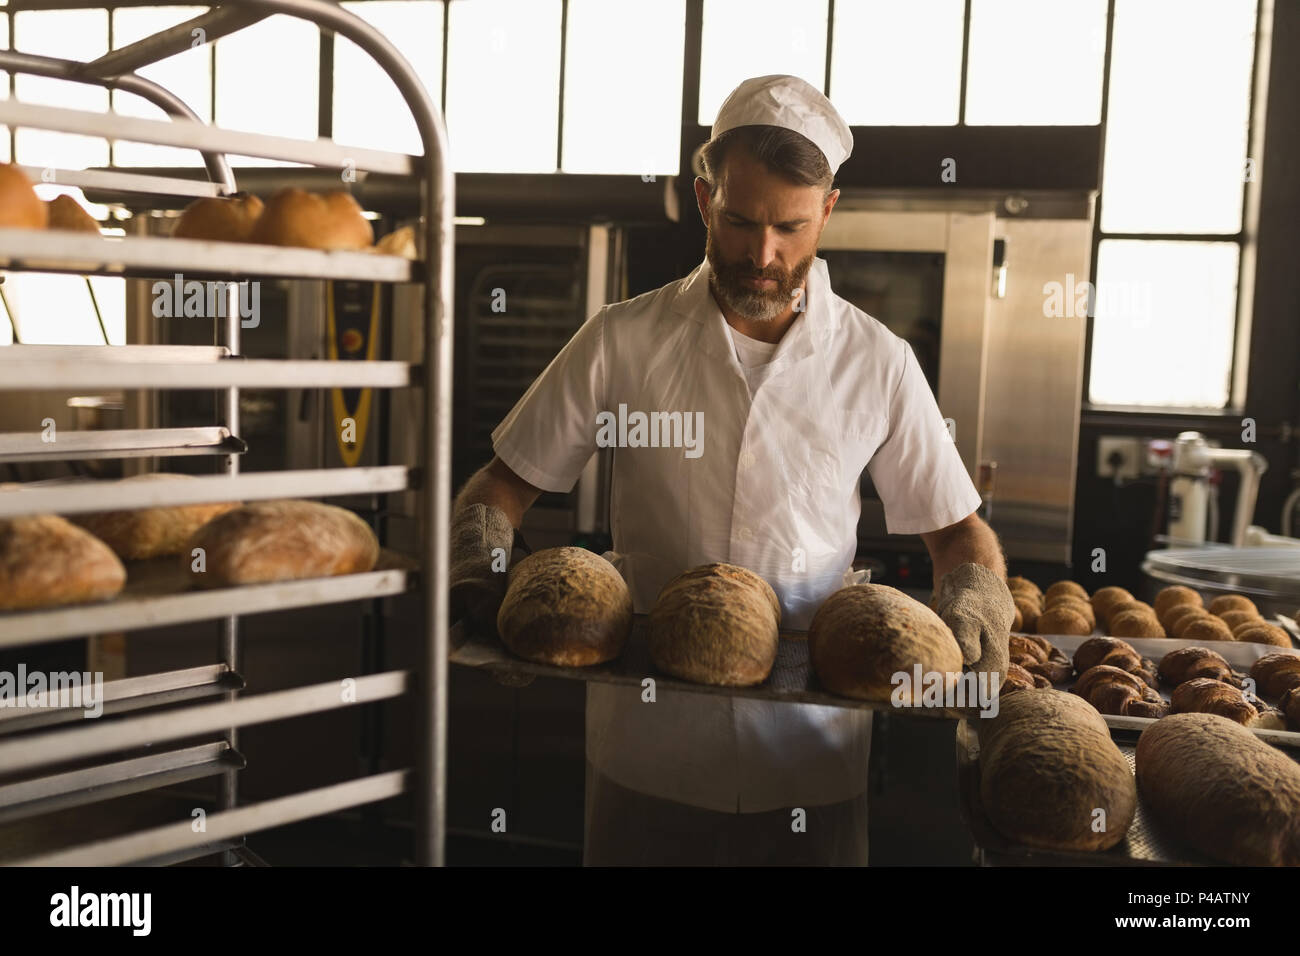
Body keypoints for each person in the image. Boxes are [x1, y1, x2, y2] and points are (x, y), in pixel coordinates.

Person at [450, 74, 1015, 866]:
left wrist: (979, 605)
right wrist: (481, 567)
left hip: (810, 760)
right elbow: (503, 486)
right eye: (742, 221)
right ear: (702, 196)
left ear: (828, 210)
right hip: (645, 747)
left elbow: (957, 530)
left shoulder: (877, 362)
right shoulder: (623, 339)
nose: (762, 254)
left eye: (789, 226)